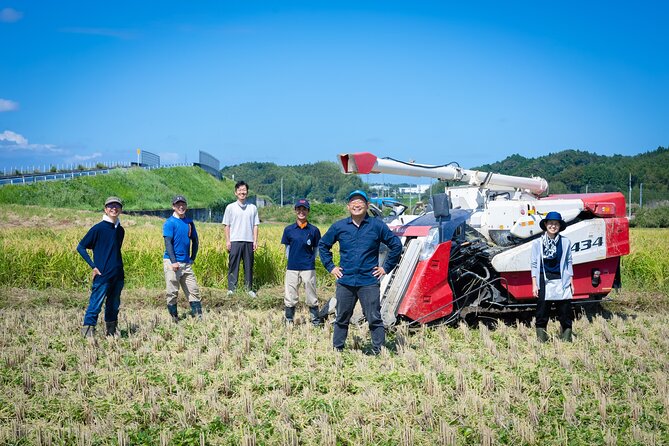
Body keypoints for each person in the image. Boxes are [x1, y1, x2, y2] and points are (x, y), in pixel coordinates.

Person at [319, 190, 403, 354]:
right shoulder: (339, 226)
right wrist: (331, 267)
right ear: (348, 206)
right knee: (342, 317)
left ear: (366, 205)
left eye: (361, 202)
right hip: (346, 280)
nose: (357, 205)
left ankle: (379, 350)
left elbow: (396, 245)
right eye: (353, 202)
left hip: (368, 281)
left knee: (374, 317)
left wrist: (386, 268)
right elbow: (323, 245)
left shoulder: (377, 226)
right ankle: (338, 349)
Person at [77, 196, 125, 337]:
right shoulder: (98, 229)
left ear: (121, 210)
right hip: (102, 275)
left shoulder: (120, 230)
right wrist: (93, 266)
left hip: (118, 275)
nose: (113, 208)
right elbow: (81, 247)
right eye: (110, 206)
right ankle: (87, 332)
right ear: (105, 209)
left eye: (117, 206)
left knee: (114, 305)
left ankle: (111, 331)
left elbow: (114, 251)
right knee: (95, 304)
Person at [531, 211, 575, 342]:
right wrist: (534, 284)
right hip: (544, 279)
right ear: (545, 224)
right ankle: (542, 338)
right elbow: (534, 264)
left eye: (556, 224)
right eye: (550, 223)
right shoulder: (537, 243)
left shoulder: (565, 242)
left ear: (560, 226)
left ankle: (566, 337)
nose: (553, 226)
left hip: (562, 279)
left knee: (565, 309)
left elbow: (569, 262)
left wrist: (571, 281)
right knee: (542, 309)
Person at [281, 198, 322, 325]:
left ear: (308, 211)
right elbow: (287, 249)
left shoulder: (313, 230)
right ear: (295, 211)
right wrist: (291, 260)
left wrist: (310, 260)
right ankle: (289, 320)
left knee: (311, 294)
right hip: (292, 267)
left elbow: (316, 249)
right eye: (299, 209)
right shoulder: (289, 230)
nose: (301, 211)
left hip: (308, 267)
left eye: (304, 209)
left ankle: (315, 321)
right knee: (290, 294)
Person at [163, 195, 202, 322]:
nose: (181, 206)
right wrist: (174, 262)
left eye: (183, 204)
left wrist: (193, 257)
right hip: (172, 262)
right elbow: (168, 243)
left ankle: (198, 317)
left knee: (193, 289)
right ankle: (174, 318)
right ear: (173, 207)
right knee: (172, 291)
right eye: (178, 204)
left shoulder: (189, 222)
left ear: (186, 206)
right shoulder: (169, 223)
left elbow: (195, 241)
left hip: (186, 263)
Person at [222, 181, 260, 297]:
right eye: (239, 190)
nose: (242, 192)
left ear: (247, 192)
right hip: (235, 240)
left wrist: (255, 241)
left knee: (249, 265)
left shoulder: (252, 208)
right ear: (235, 192)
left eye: (244, 190)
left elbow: (255, 225)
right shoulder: (230, 207)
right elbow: (226, 225)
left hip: (249, 241)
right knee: (233, 265)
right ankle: (231, 289)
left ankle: (248, 289)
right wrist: (228, 241)